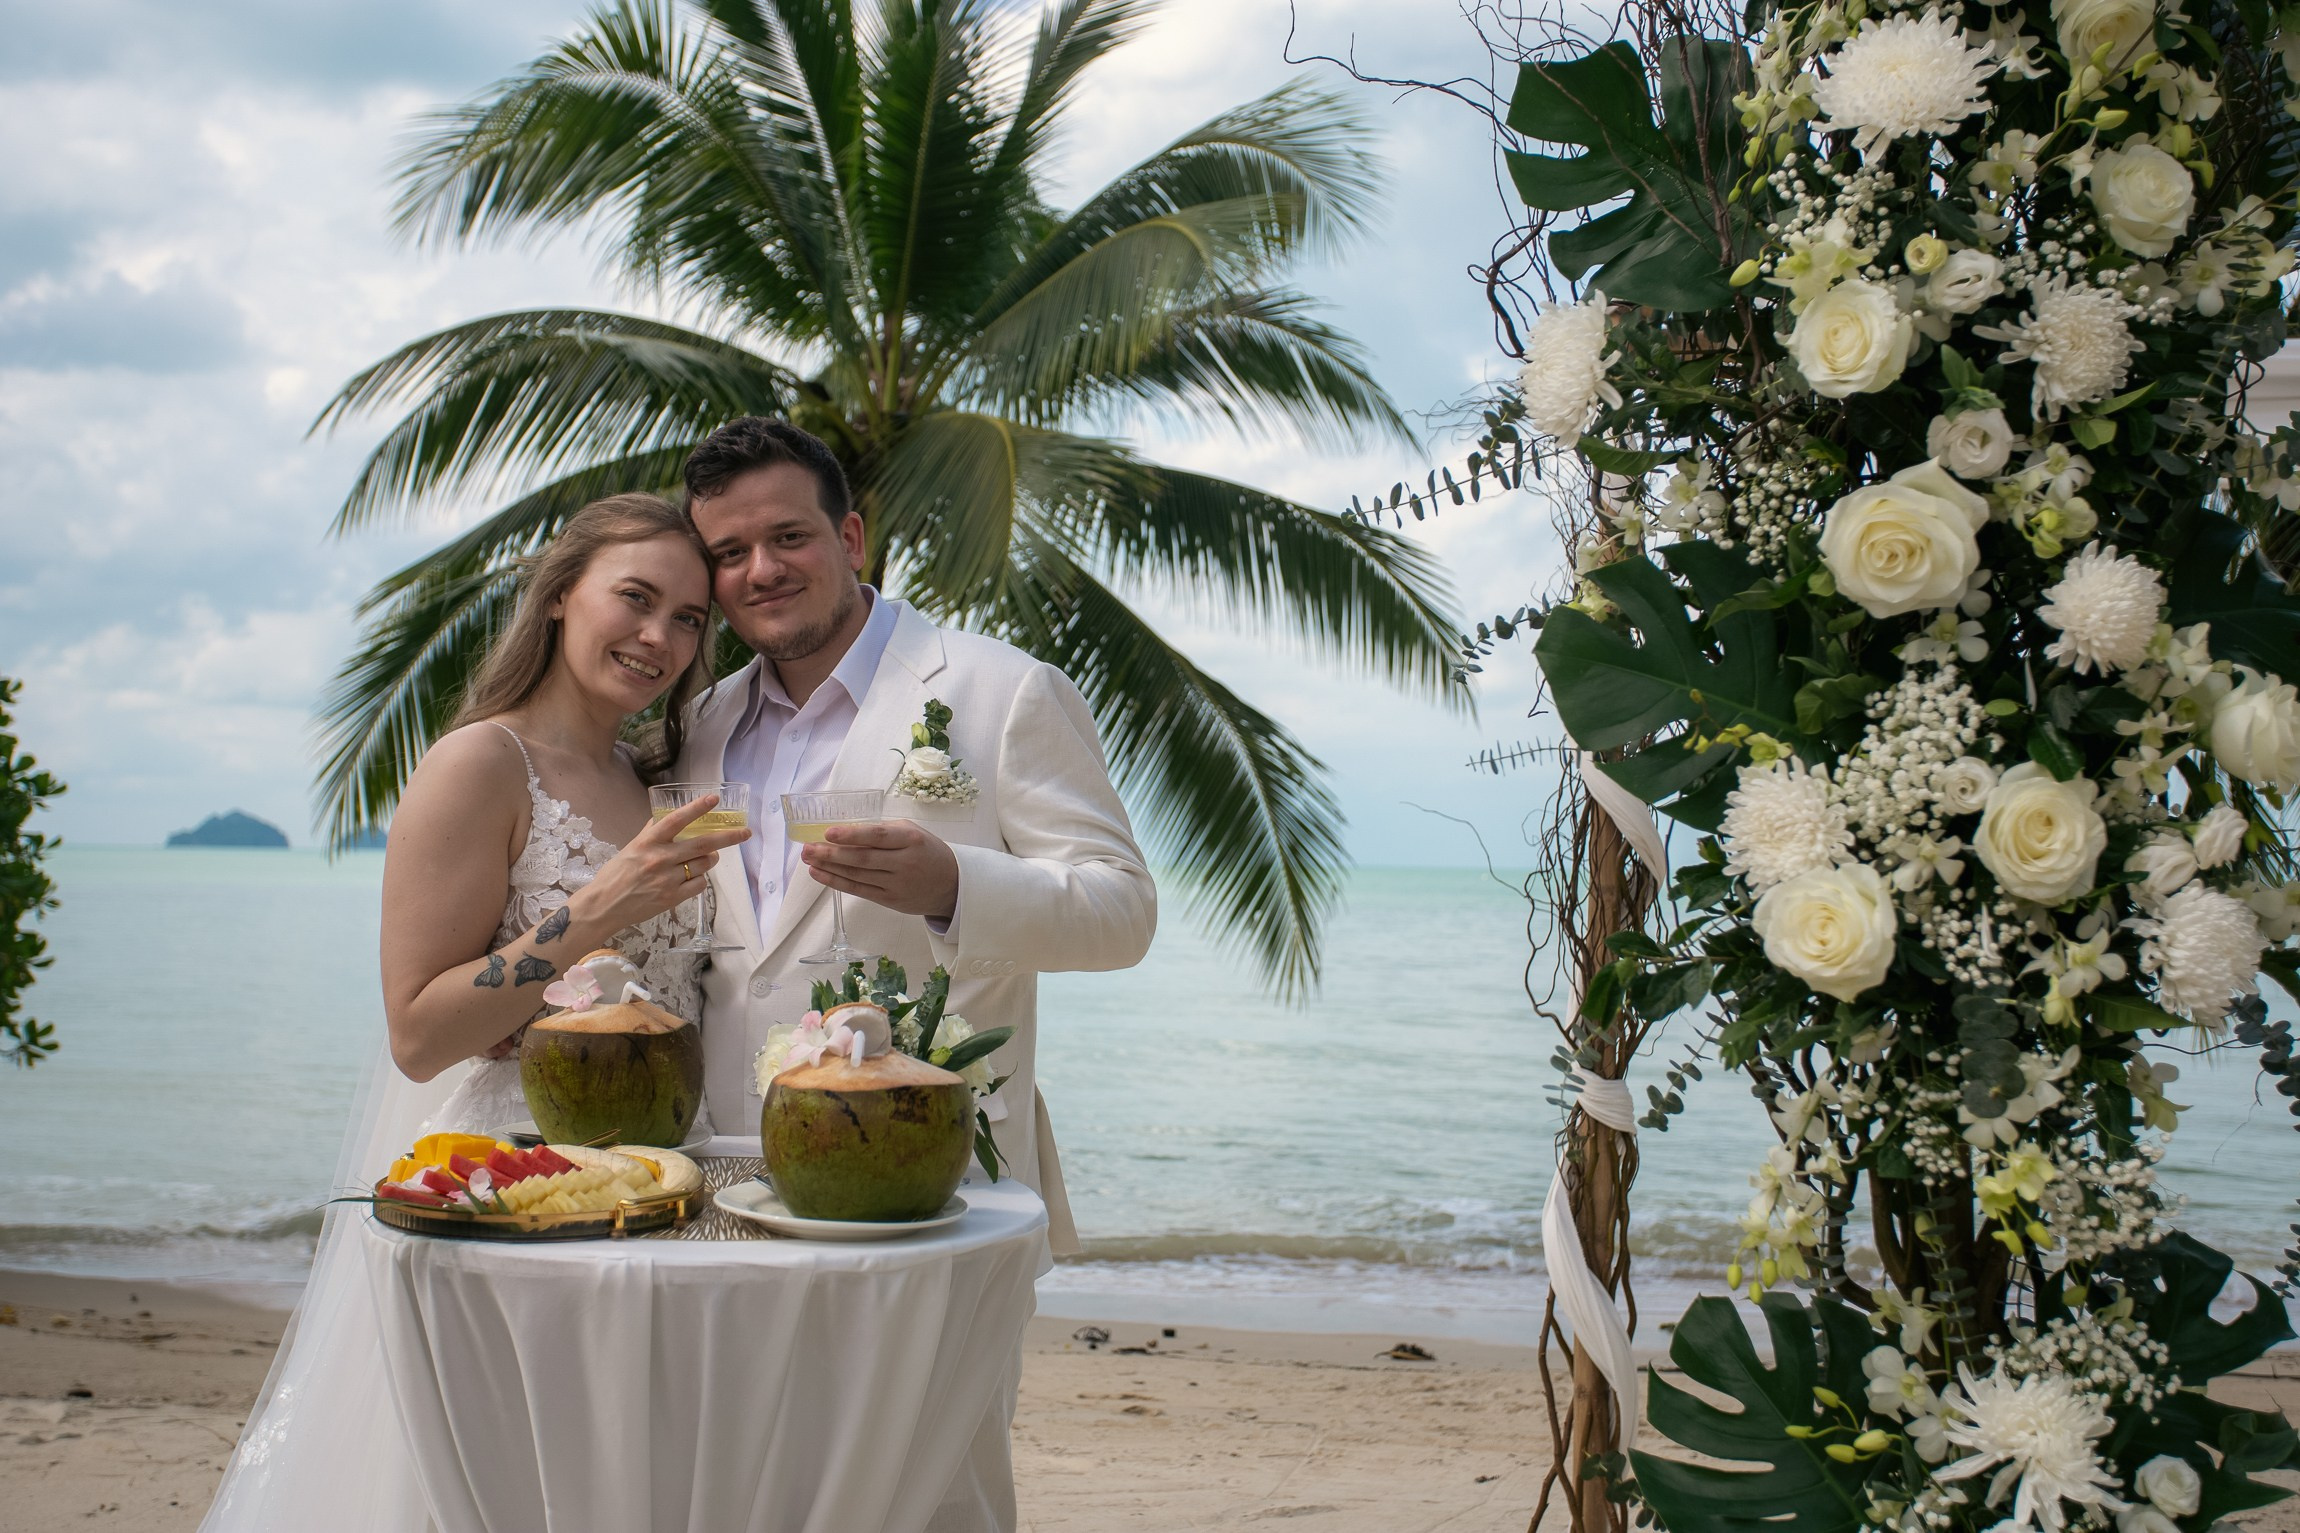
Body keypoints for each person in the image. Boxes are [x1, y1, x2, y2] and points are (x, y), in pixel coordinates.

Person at [200, 493, 749, 1533]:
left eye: (687, 619)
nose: (659, 638)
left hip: (648, 1186)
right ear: (557, 597)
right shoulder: (479, 765)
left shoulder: (653, 779)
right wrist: (592, 914)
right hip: (507, 1183)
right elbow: (417, 1033)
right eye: (633, 598)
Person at [676, 418, 1157, 1531]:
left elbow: (1120, 912)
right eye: (729, 553)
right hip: (728, 1188)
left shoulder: (1001, 691)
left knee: (928, 1492)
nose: (761, 570)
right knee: (746, 1483)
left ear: (850, 535)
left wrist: (953, 883)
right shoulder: (702, 723)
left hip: (934, 1183)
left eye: (788, 536)